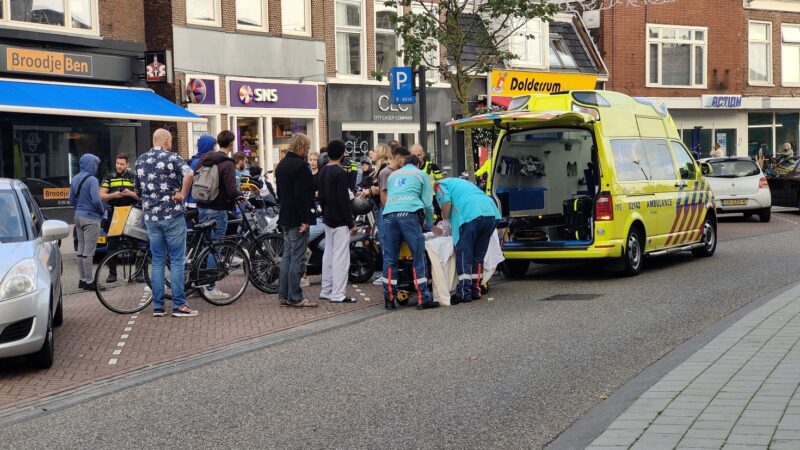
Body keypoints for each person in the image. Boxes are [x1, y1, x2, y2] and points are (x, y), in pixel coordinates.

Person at [135, 129, 197, 317]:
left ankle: (158, 306)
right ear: (166, 141)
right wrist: (183, 194)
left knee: (158, 261)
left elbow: (137, 190)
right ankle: (179, 305)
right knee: (177, 260)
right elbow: (189, 173)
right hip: (172, 215)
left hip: (152, 218)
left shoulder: (140, 160)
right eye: (170, 141)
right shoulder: (172, 157)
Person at [382, 153, 438, 311]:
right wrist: (430, 223)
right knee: (418, 255)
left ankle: (389, 299)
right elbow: (428, 203)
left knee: (390, 258)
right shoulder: (422, 175)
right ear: (419, 163)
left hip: (389, 214)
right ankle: (423, 299)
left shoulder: (393, 175)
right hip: (409, 213)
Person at [434, 177, 501, 304]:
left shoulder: (439, 185)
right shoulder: (463, 183)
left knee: (464, 254)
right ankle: (476, 289)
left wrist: (446, 220)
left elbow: (446, 203)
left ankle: (464, 292)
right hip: (491, 213)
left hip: (470, 215)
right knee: (478, 255)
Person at [195, 129, 244, 300]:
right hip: (218, 209)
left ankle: (201, 282)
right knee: (215, 248)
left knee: (205, 247)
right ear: (231, 144)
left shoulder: (205, 160)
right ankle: (210, 286)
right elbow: (231, 189)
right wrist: (240, 195)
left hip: (202, 205)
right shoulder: (227, 163)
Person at [275, 134, 318, 308]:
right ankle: (295, 296)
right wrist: (305, 219)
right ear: (301, 147)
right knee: (297, 258)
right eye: (307, 148)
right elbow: (301, 195)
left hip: (285, 215)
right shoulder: (300, 166)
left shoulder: (281, 165)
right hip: (297, 218)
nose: (308, 151)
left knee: (287, 257)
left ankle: (283, 295)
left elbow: (281, 194)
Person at [318, 140, 358, 303]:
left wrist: (326, 211)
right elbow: (343, 200)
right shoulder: (340, 173)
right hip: (340, 221)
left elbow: (321, 197)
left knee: (328, 254)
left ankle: (326, 289)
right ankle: (338, 293)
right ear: (342, 154)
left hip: (328, 218)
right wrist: (350, 223)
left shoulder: (323, 171)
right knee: (341, 257)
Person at [99, 153, 139, 283]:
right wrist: (113, 195)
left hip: (131, 212)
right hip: (115, 212)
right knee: (112, 244)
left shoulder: (134, 178)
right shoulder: (109, 177)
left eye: (122, 164)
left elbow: (140, 196)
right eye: (117, 163)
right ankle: (112, 274)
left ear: (127, 165)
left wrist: (130, 193)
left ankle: (138, 274)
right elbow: (101, 196)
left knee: (136, 243)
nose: (119, 166)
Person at [70, 153, 105, 291]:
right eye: (95, 164)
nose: (96, 167)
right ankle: (90, 282)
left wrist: (81, 206)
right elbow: (96, 200)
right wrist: (101, 211)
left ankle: (82, 279)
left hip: (78, 217)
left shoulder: (75, 178)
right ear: (91, 164)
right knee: (89, 251)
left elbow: (72, 201)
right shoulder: (92, 180)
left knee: (81, 249)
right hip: (91, 218)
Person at [301, 151, 324, 288]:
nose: (312, 162)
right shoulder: (307, 175)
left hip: (320, 214)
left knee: (303, 240)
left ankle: (304, 275)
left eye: (315, 159)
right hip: (310, 213)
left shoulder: (321, 176)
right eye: (310, 159)